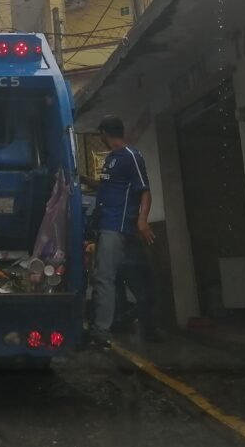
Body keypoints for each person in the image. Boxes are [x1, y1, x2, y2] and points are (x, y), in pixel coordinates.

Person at [81, 115, 155, 349]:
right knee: (108, 278)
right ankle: (105, 329)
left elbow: (145, 190)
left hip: (118, 226)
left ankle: (101, 333)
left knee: (105, 278)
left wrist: (142, 220)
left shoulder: (131, 156)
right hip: (107, 225)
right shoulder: (112, 159)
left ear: (104, 133)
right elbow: (107, 187)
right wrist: (82, 179)